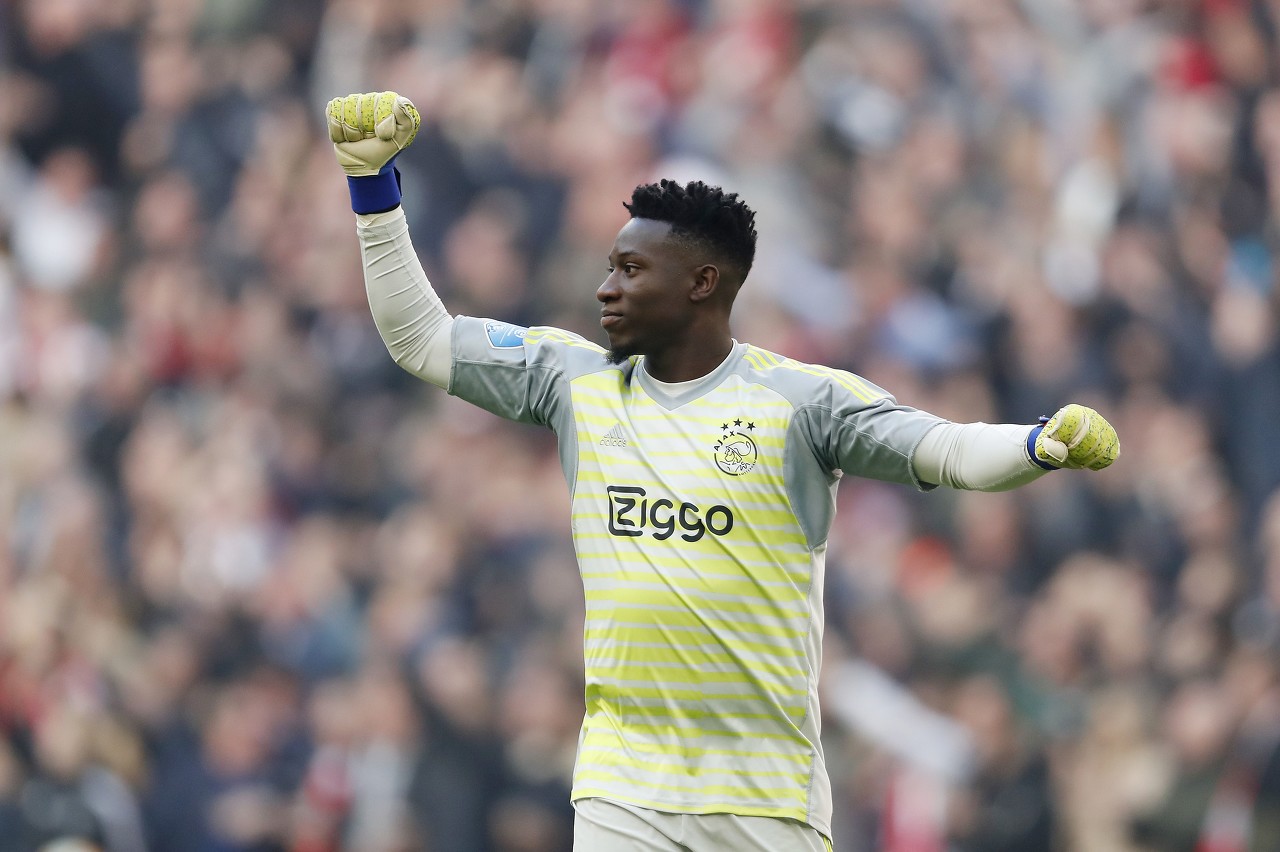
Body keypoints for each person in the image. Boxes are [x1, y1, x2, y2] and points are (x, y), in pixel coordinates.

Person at [325, 91, 1120, 852]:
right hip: (623, 786)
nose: (606, 287)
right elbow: (420, 339)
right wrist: (372, 189)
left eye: (632, 270)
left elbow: (946, 451)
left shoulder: (801, 403)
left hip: (762, 796)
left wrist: (1037, 446)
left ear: (701, 285)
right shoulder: (574, 382)